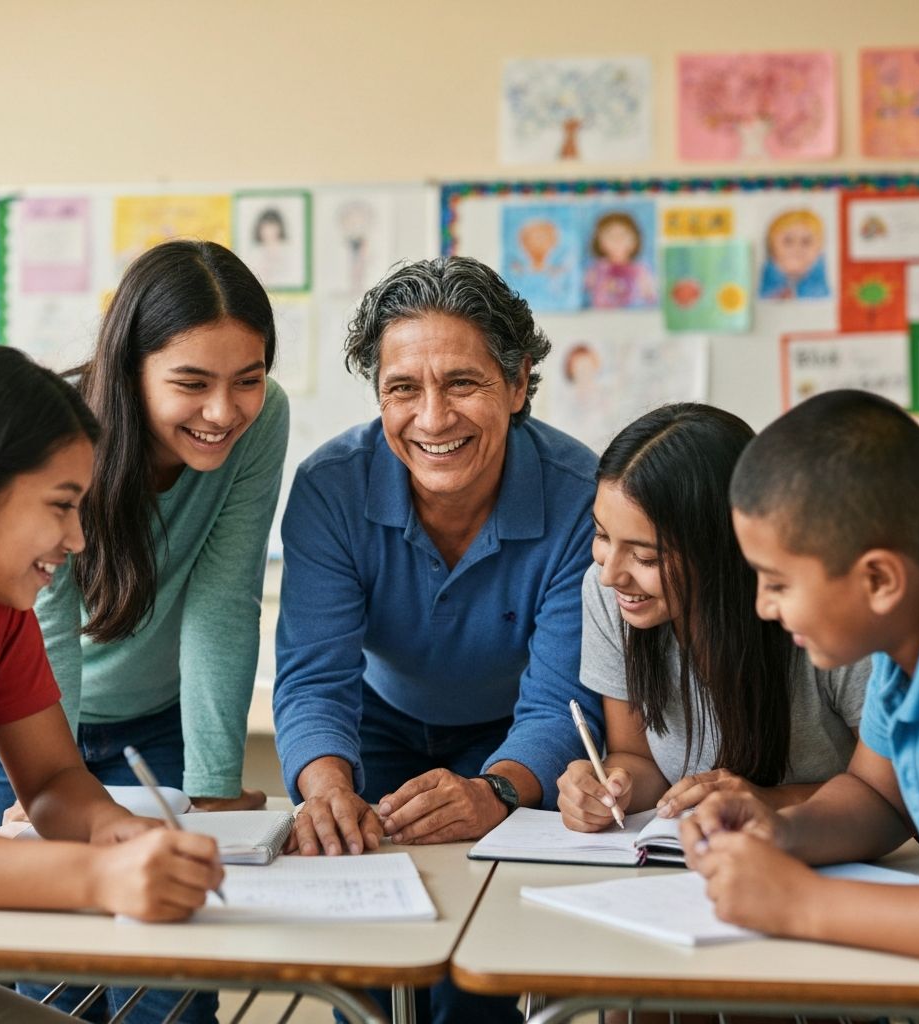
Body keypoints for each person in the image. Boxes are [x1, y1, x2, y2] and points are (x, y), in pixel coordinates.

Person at [0, 239, 289, 1022]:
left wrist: (212, 789)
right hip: (22, 721)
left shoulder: (259, 421)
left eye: (247, 379)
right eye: (191, 383)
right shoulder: (66, 435)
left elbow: (222, 598)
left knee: (170, 981)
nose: (224, 411)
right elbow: (46, 625)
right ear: (130, 370)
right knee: (53, 981)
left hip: (155, 725)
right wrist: (39, 787)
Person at [273, 255, 601, 1024]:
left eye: (463, 383)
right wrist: (325, 794)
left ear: (518, 384)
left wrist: (497, 790)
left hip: (511, 735)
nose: (433, 418)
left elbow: (560, 700)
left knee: (477, 980)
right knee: (359, 963)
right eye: (403, 389)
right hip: (375, 729)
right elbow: (314, 679)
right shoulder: (331, 486)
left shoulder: (582, 494)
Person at [0, 346, 223, 1023]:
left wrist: (117, 832)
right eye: (61, 506)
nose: (79, 540)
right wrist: (99, 878)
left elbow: (54, 780)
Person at [682, 390, 919, 961]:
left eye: (777, 583)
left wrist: (801, 902)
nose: (762, 608)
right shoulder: (902, 657)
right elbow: (879, 795)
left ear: (878, 581)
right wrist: (784, 830)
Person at [557, 404, 870, 834]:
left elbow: (889, 794)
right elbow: (638, 758)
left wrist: (767, 802)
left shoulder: (823, 613)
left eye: (646, 556)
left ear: (724, 548)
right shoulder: (608, 590)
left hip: (835, 855)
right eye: (601, 535)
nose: (610, 574)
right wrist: (610, 787)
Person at [583, 211, 657, 309]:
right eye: (611, 236)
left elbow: (651, 297)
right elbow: (584, 293)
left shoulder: (640, 271)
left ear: (634, 241)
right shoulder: (596, 269)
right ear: (600, 242)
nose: (617, 240)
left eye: (623, 235)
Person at [758, 209, 830, 300]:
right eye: (788, 241)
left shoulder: (819, 285)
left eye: (806, 242)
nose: (797, 248)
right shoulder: (767, 282)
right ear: (771, 246)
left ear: (818, 249)